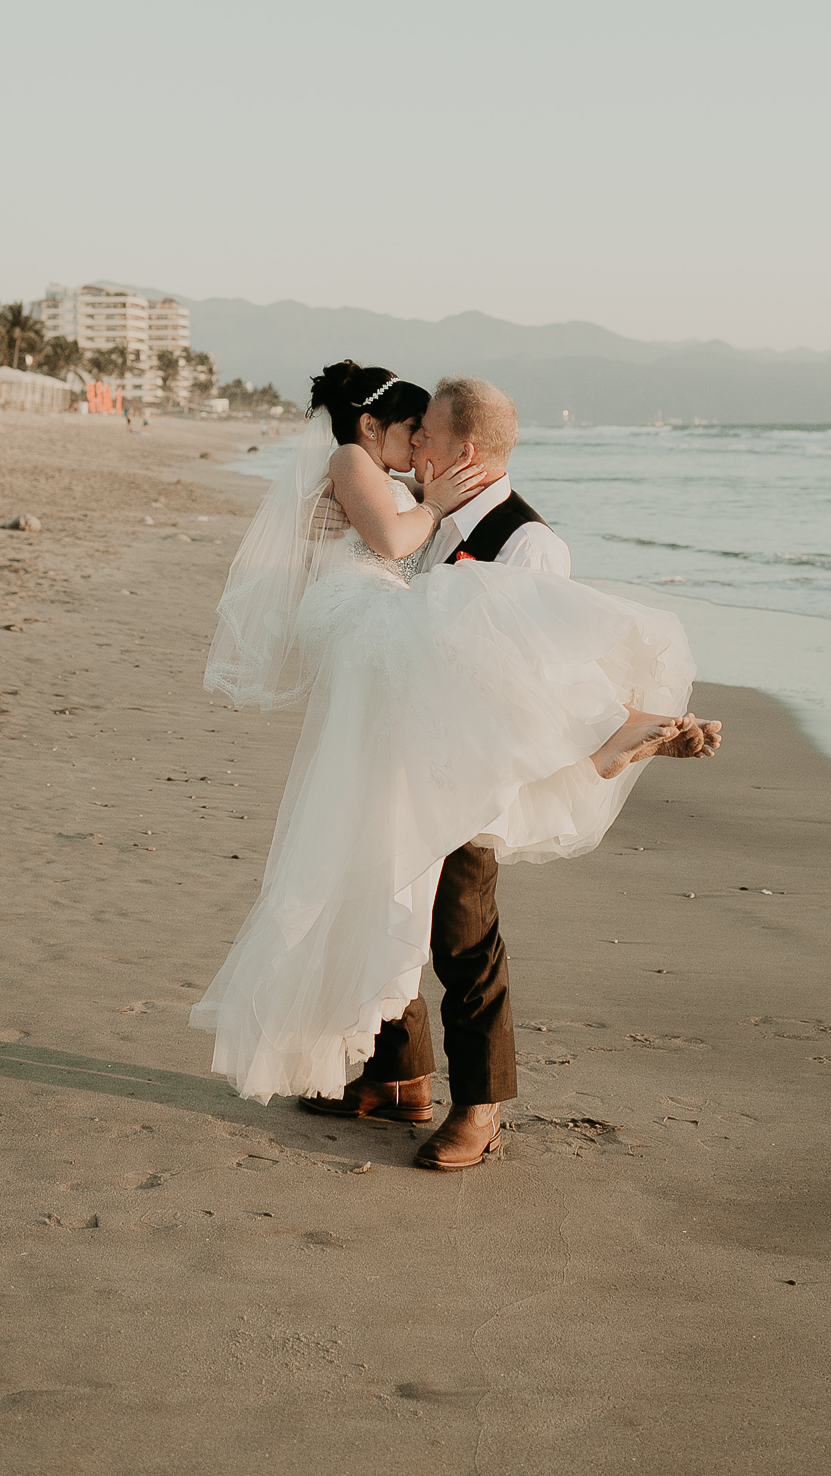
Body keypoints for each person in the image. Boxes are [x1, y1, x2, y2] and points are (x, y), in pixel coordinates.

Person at [189, 361, 721, 1170]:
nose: (415, 450)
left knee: (462, 934)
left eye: (426, 436)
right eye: (411, 434)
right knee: (378, 893)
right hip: (403, 744)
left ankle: (481, 1108)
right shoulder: (421, 513)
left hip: (471, 766)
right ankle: (398, 1079)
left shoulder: (529, 543)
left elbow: (530, 666)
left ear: (462, 446)